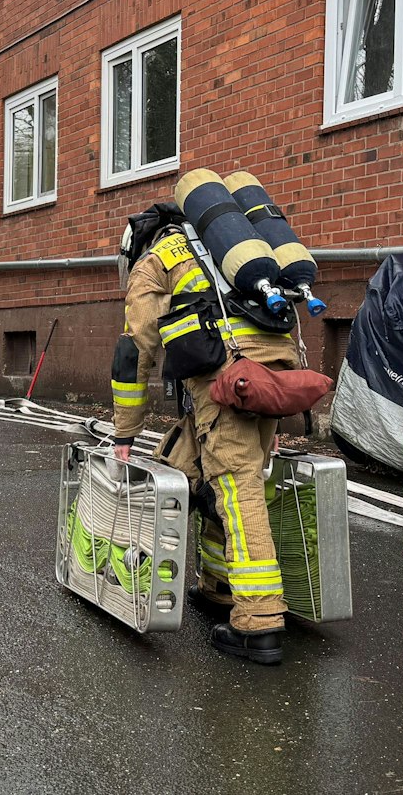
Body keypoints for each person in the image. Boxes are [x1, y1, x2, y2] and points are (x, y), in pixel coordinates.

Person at [111, 198, 300, 664]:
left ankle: (259, 623)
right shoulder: (229, 253)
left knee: (236, 487)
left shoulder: (159, 259)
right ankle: (219, 587)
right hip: (270, 365)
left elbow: (137, 350)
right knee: (201, 466)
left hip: (227, 374)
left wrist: (124, 435)